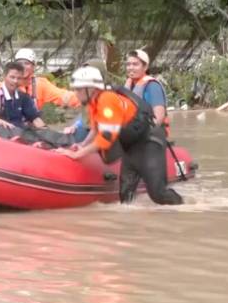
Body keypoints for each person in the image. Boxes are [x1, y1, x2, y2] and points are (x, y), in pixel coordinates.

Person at [55, 66, 183, 205]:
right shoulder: (94, 102)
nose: (76, 93)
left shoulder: (107, 100)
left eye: (78, 89)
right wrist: (81, 145)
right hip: (131, 145)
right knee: (125, 198)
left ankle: (184, 207)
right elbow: (96, 129)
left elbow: (106, 139)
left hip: (149, 142)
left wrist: (77, 155)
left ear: (91, 89)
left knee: (158, 194)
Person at [0, 61, 46, 129]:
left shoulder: (24, 98)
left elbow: (35, 119)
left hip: (18, 137)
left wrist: (47, 133)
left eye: (19, 78)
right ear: (4, 76)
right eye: (12, 77)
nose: (15, 81)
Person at [14, 48, 80, 110]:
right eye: (19, 63)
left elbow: (64, 96)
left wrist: (84, 96)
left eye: (26, 63)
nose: (22, 67)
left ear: (34, 66)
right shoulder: (7, 85)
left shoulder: (40, 85)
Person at [125, 49, 169, 135]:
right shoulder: (129, 85)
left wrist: (140, 133)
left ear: (145, 67)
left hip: (153, 133)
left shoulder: (152, 86)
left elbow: (159, 117)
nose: (131, 68)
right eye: (128, 64)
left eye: (135, 64)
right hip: (135, 128)